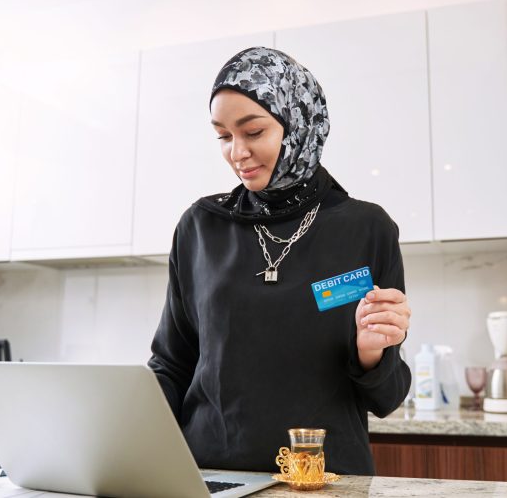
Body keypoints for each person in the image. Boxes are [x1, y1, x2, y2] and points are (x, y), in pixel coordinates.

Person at [148, 46, 411, 476]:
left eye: (253, 132)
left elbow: (387, 397)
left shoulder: (367, 228)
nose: (237, 152)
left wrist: (372, 353)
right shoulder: (200, 227)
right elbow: (171, 364)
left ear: (299, 125)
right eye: (222, 135)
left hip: (322, 479)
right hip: (212, 476)